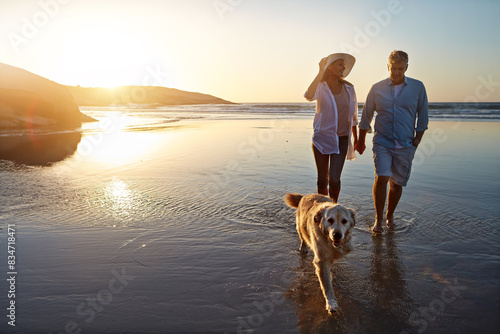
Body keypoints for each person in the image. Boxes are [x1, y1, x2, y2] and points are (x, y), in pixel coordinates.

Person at [355, 50, 428, 233]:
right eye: (393, 68)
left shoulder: (418, 87)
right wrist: (361, 141)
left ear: (406, 68)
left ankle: (390, 216)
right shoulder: (376, 88)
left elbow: (423, 116)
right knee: (382, 178)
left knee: (396, 184)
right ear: (388, 67)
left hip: (406, 144)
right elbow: (366, 116)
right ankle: (378, 220)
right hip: (382, 142)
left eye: (400, 69)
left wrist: (416, 141)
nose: (396, 72)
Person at [304, 53, 359, 202]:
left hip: (342, 139)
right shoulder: (320, 87)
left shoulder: (349, 88)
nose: (344, 67)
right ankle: (322, 209)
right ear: (330, 67)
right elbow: (309, 95)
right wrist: (320, 72)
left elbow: (353, 116)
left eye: (344, 64)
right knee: (322, 179)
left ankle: (333, 208)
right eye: (340, 64)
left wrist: (357, 139)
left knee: (334, 179)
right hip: (322, 138)